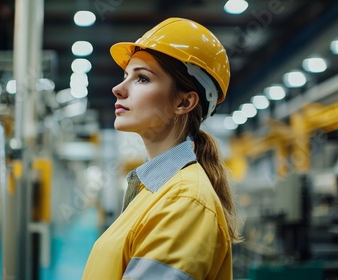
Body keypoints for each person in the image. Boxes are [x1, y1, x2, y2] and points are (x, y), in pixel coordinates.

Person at [82, 17, 241, 280]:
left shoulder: (185, 201)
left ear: (184, 102)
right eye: (125, 76)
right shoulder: (156, 190)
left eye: (142, 79)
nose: (118, 89)